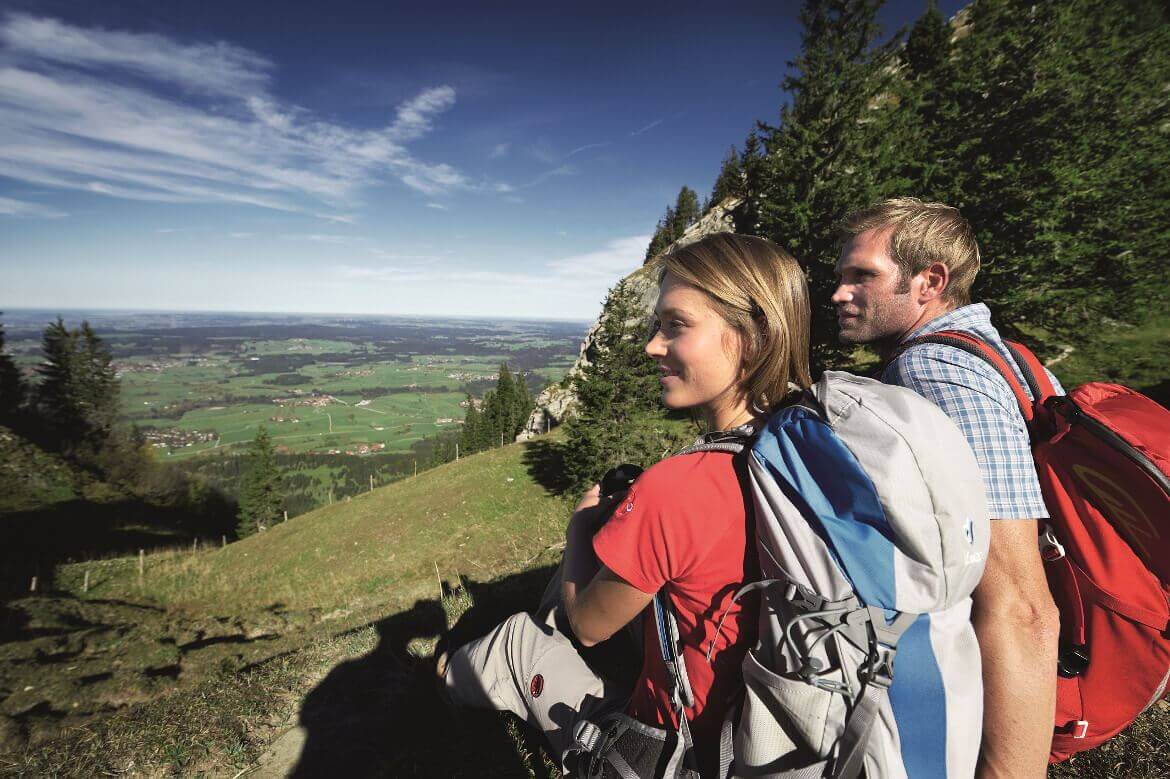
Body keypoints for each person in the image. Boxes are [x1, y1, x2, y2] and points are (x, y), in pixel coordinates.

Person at [440, 233, 813, 776]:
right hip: (776, 732)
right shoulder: (804, 444)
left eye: (676, 325)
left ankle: (439, 678)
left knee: (518, 641)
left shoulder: (680, 486)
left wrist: (581, 527)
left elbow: (590, 624)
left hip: (687, 753)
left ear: (752, 339)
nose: (652, 346)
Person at [831, 197, 1062, 779]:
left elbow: (1020, 605)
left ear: (930, 281)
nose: (839, 293)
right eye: (841, 276)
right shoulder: (998, 354)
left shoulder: (937, 372)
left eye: (863, 276)